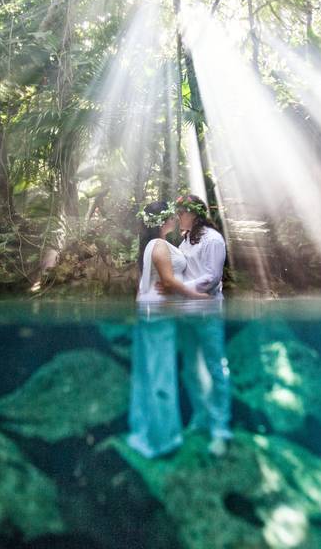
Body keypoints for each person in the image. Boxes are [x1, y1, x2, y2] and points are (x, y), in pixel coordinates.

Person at [126, 201, 209, 459]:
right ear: (165, 220)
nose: (176, 218)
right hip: (159, 315)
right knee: (161, 374)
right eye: (172, 216)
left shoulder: (153, 244)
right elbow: (169, 280)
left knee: (147, 373)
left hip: (153, 312)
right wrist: (196, 296)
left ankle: (145, 432)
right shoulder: (159, 245)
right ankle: (163, 439)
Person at [171, 194, 232, 457]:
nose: (177, 217)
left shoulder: (213, 239)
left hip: (207, 314)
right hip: (186, 314)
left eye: (180, 212)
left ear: (193, 213)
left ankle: (220, 429)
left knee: (215, 369)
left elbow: (212, 277)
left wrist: (179, 288)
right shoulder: (184, 240)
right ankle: (201, 417)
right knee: (190, 371)